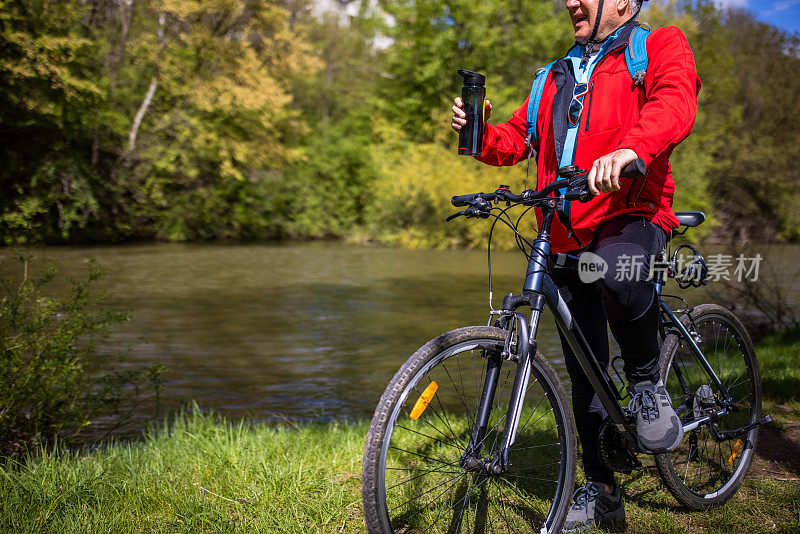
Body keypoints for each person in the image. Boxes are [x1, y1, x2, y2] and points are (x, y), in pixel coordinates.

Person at [451, 0, 701, 530]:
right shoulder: (554, 74)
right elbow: (520, 140)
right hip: (562, 226)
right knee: (583, 367)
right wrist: (481, 132)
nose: (570, 2)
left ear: (625, 3)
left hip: (627, 211)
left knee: (618, 271)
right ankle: (603, 491)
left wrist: (630, 150)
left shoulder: (657, 47)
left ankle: (646, 383)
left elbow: (674, 105)